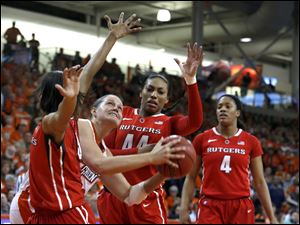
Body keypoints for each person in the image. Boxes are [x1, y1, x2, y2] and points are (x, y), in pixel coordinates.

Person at [27, 12, 184, 224]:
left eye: (120, 106)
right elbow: (80, 88)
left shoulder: (97, 147)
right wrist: (150, 157)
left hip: (64, 213)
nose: (118, 108)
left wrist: (165, 172)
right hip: (37, 210)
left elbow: (130, 195)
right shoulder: (62, 124)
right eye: (110, 103)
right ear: (92, 109)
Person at [97, 42, 204, 224]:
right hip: (113, 196)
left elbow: (195, 121)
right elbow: (104, 154)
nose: (154, 95)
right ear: (141, 93)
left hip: (146, 197)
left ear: (167, 100)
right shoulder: (122, 113)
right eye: (150, 89)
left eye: (160, 92)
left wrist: (191, 81)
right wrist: (144, 152)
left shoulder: (169, 122)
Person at [179, 94, 279, 224]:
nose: (222, 109)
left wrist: (272, 217)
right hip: (210, 205)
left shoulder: (251, 141)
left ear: (237, 112)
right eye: (219, 107)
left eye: (228, 106)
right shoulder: (202, 139)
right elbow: (191, 177)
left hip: (241, 206)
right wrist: (183, 208)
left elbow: (259, 182)